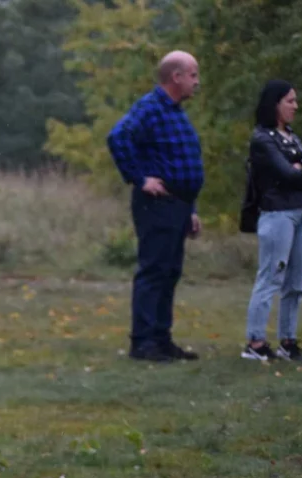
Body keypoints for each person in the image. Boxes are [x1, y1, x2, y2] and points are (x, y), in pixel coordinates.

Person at [107, 50, 205, 363]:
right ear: (175, 77)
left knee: (170, 272)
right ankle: (143, 342)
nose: (196, 82)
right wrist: (140, 178)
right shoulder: (150, 107)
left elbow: (181, 162)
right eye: (193, 75)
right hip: (157, 204)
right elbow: (118, 136)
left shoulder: (176, 112)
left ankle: (162, 340)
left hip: (178, 205)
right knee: (154, 271)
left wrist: (190, 209)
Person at [241, 81, 302, 362]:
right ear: (275, 103)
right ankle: (255, 342)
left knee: (295, 282)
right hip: (277, 214)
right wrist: (300, 171)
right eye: (290, 101)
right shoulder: (263, 139)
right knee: (271, 277)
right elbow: (288, 174)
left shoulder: (291, 137)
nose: (295, 106)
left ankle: (287, 341)